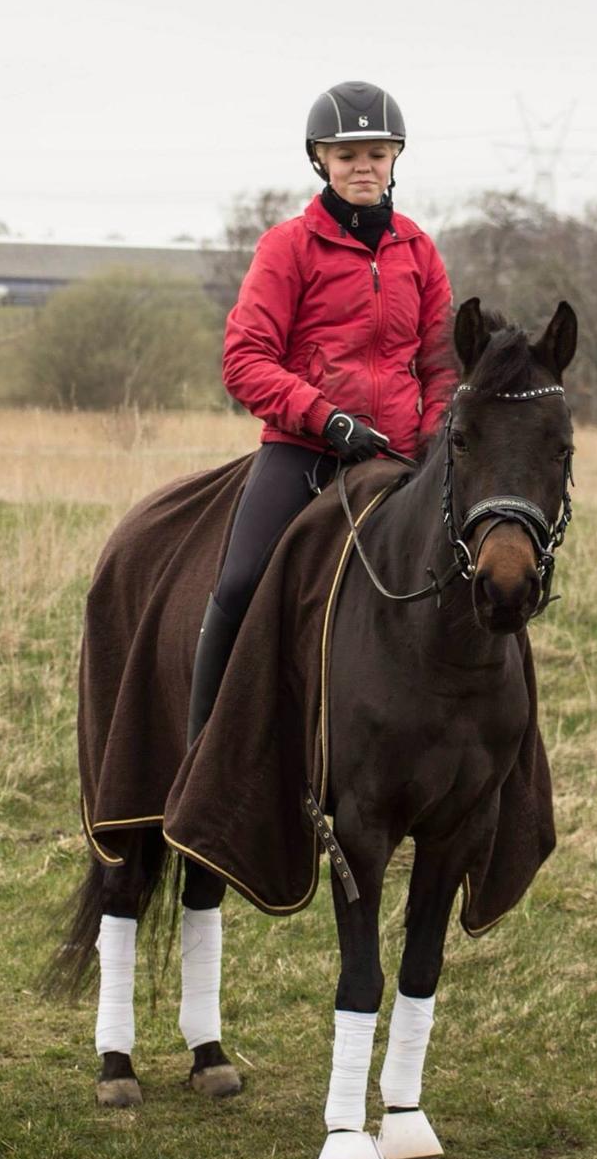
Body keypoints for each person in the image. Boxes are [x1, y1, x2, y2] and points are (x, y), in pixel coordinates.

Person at [187, 80, 456, 744]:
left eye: (376, 153)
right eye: (346, 155)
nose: (362, 166)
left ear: (395, 158)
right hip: (304, 450)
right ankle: (204, 747)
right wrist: (327, 419)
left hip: (397, 458)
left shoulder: (418, 250)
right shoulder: (287, 247)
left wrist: (427, 442)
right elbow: (245, 358)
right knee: (243, 579)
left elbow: (442, 363)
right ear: (320, 161)